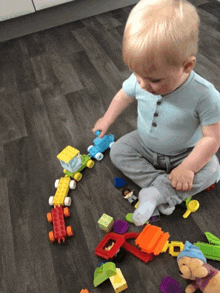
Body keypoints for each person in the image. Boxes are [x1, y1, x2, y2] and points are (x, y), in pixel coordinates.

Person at [92, 0, 220, 225]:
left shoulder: (205, 95)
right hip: (145, 144)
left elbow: (212, 138)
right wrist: (107, 118)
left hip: (184, 153)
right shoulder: (142, 78)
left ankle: (157, 192)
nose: (140, 84)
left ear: (187, 66)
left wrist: (188, 168)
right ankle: (160, 187)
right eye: (136, 74)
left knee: (211, 169)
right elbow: (123, 94)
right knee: (119, 151)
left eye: (153, 80)